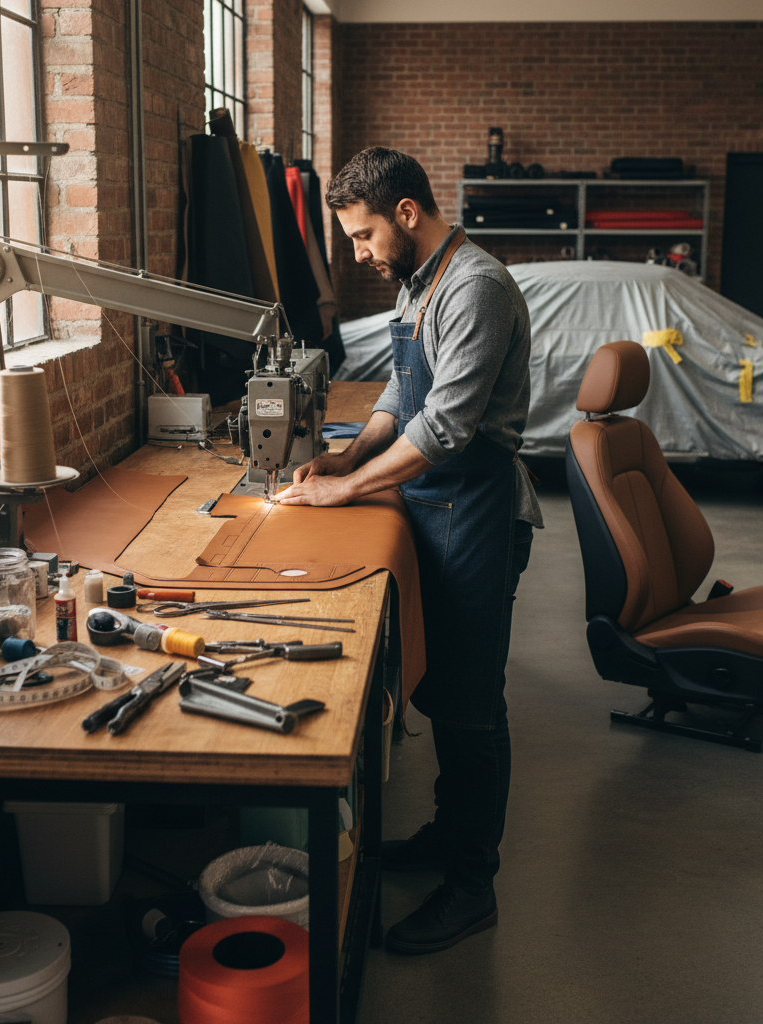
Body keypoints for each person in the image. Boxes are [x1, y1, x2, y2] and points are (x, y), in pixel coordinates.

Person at [275, 147, 543, 955]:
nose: (357, 254)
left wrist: (344, 491)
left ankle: (471, 886)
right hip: (433, 497)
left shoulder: (476, 288)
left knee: (470, 708)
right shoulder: (419, 282)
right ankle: (443, 834)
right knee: (440, 692)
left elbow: (448, 425)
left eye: (361, 237)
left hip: (475, 506)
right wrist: (352, 455)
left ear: (405, 214)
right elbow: (402, 390)